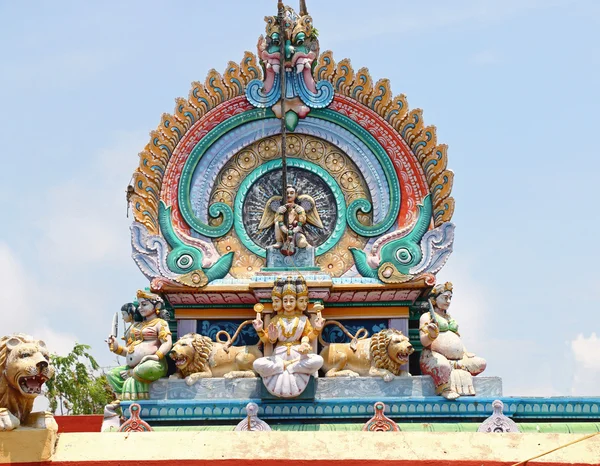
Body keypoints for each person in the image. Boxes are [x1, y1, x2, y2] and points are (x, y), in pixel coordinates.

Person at [252, 276, 324, 398]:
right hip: (278, 358)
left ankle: (291, 367)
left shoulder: (303, 319)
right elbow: (267, 339)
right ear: (281, 302)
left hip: (298, 358)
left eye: (291, 300)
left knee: (318, 360)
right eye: (285, 301)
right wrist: (260, 330)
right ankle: (284, 366)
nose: (288, 304)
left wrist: (317, 329)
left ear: (297, 301)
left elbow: (308, 336)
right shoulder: (275, 319)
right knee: (257, 364)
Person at [419, 282, 486, 400]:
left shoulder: (450, 318)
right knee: (442, 365)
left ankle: (456, 367)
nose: (448, 301)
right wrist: (431, 336)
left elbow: (456, 338)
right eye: (445, 298)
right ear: (434, 300)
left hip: (458, 359)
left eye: (450, 298)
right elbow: (424, 342)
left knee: (481, 363)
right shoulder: (427, 316)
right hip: (433, 356)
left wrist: (465, 353)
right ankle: (444, 388)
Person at [107, 290, 172, 400]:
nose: (140, 308)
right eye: (139, 305)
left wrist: (156, 356)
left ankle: (133, 374)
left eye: (144, 304)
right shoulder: (137, 325)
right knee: (111, 374)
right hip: (134, 366)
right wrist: (116, 347)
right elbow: (130, 351)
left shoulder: (160, 323)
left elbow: (167, 342)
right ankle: (122, 399)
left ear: (157, 305)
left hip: (154, 364)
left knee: (147, 367)